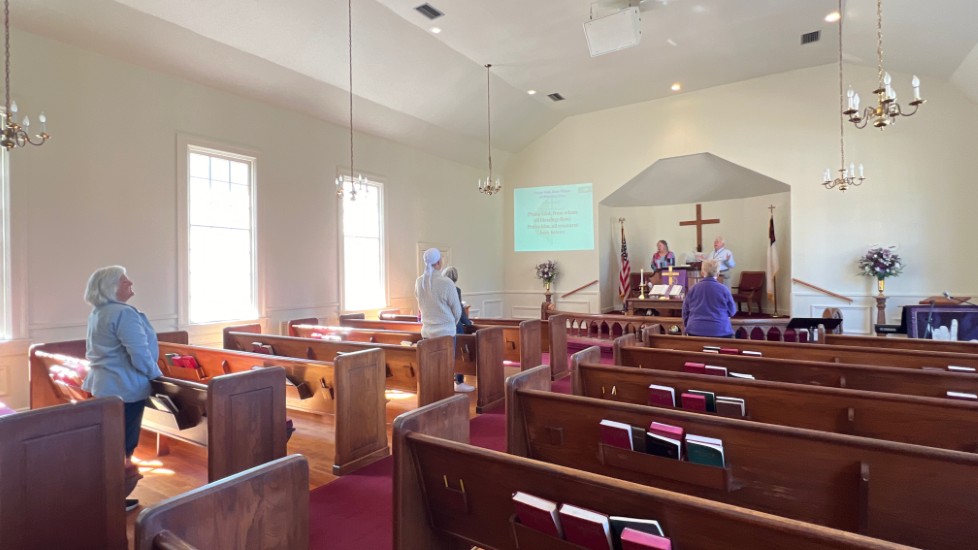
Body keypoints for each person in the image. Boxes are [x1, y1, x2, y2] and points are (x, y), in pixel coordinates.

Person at [83, 266, 162, 512]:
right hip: (125, 388)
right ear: (110, 287)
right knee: (123, 447)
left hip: (103, 385)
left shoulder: (99, 312)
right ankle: (114, 503)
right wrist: (157, 377)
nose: (130, 282)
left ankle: (104, 499)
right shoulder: (123, 314)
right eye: (123, 280)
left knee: (110, 444)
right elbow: (140, 354)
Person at [414, 249, 474, 393]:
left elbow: (420, 305)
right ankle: (445, 395)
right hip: (445, 332)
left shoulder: (419, 281)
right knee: (446, 365)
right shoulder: (446, 283)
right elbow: (457, 311)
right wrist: (450, 323)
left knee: (432, 366)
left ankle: (432, 394)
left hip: (427, 332)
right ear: (439, 262)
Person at [682, 259, 737, 337]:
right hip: (720, 330)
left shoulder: (693, 289)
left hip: (695, 330)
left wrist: (688, 325)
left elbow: (685, 312)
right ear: (718, 274)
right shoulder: (724, 289)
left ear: (702, 273)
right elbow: (732, 311)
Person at [442, 266, 474, 335]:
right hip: (453, 325)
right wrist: (468, 323)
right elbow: (459, 309)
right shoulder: (456, 290)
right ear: (455, 277)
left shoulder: (439, 289)